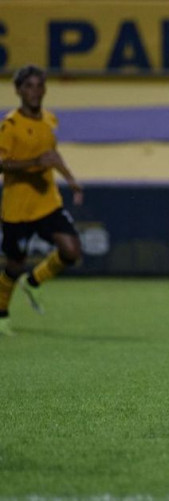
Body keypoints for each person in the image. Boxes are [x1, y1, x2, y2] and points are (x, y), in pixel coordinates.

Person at [0, 65, 83, 336]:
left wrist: (70, 179)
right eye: (29, 86)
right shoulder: (10, 125)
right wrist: (33, 164)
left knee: (71, 250)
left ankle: (35, 281)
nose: (35, 91)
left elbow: (51, 155)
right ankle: (1, 313)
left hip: (47, 203)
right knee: (14, 265)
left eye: (39, 85)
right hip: (18, 208)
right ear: (18, 90)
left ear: (45, 89)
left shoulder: (49, 120)